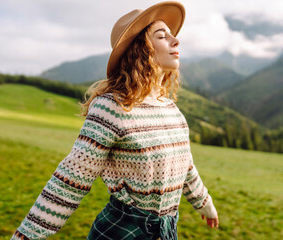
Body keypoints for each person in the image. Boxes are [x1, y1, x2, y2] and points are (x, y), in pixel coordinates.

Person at [11, 1, 218, 240]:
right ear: (141, 49)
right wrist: (26, 236)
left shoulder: (172, 111)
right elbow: (71, 179)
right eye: (162, 36)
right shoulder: (110, 108)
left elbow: (186, 167)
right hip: (120, 232)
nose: (176, 40)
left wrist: (205, 203)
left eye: (172, 34)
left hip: (167, 231)